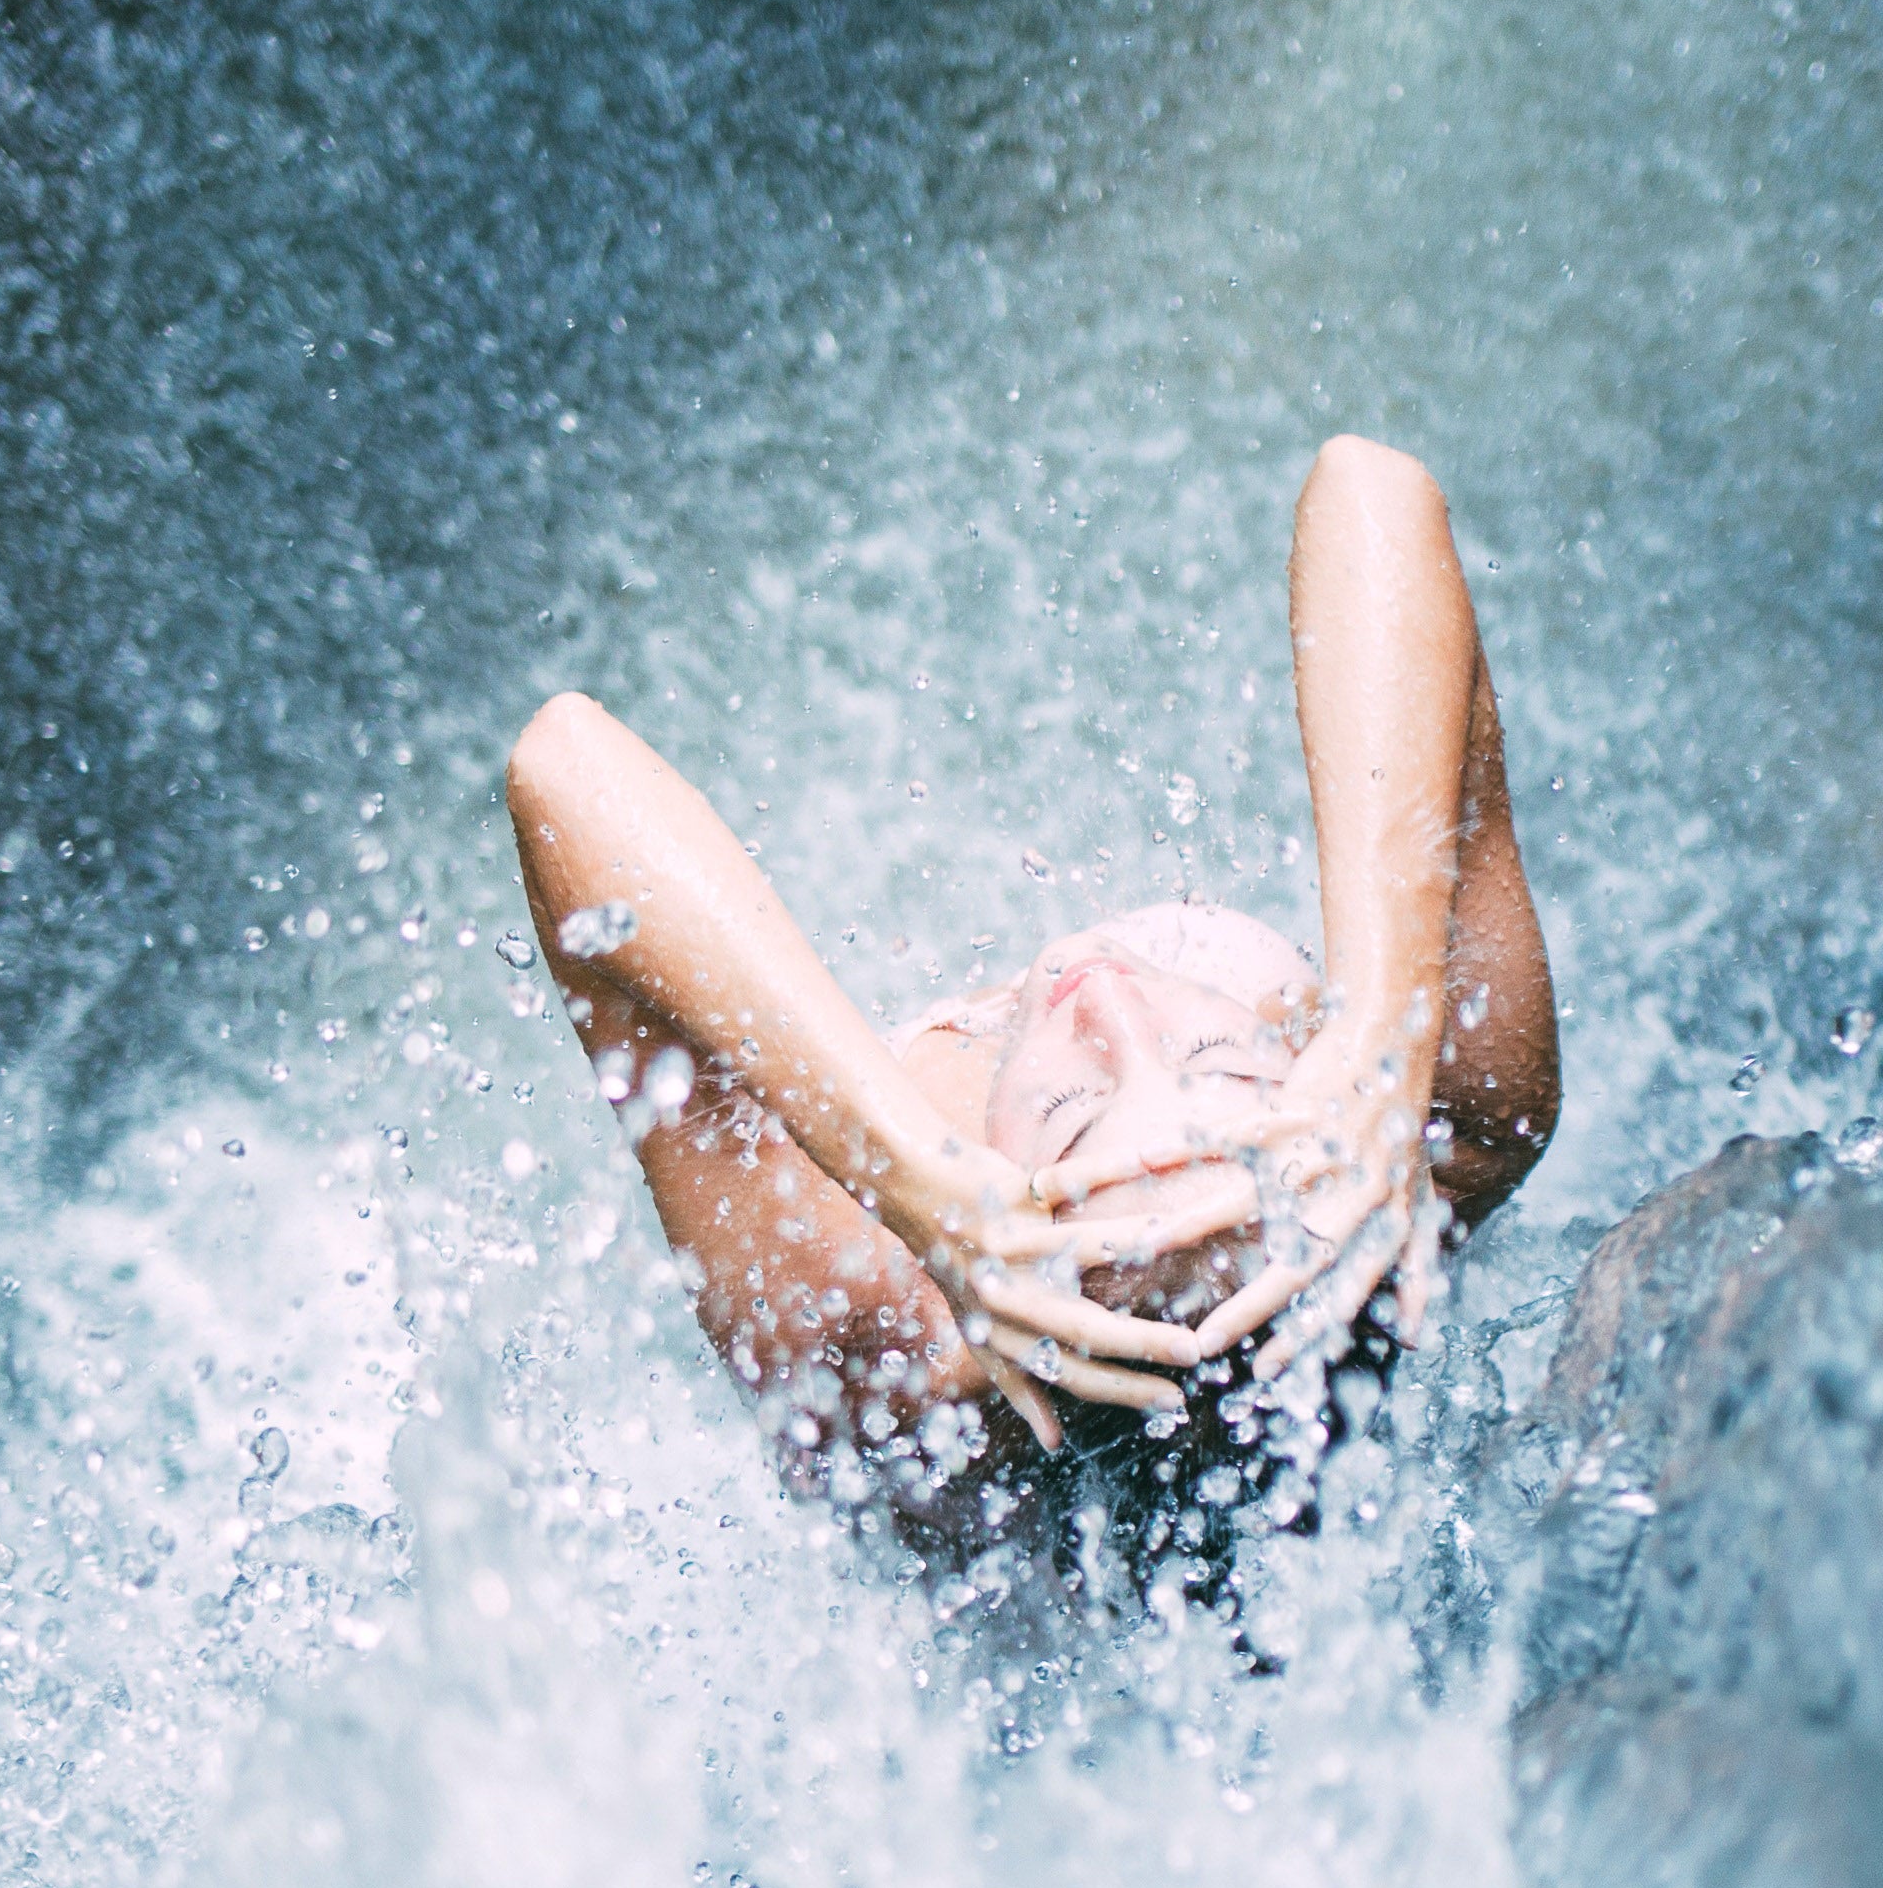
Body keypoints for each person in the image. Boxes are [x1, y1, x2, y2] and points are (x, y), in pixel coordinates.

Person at [505, 434, 1557, 1514]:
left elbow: (562, 765)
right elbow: (1369, 486)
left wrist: (911, 1180)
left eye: (1065, 1112)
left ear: (987, 1266)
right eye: (1216, 1059)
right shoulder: (1444, 1130)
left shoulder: (874, 1334)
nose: (1104, 993)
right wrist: (1383, 1028)